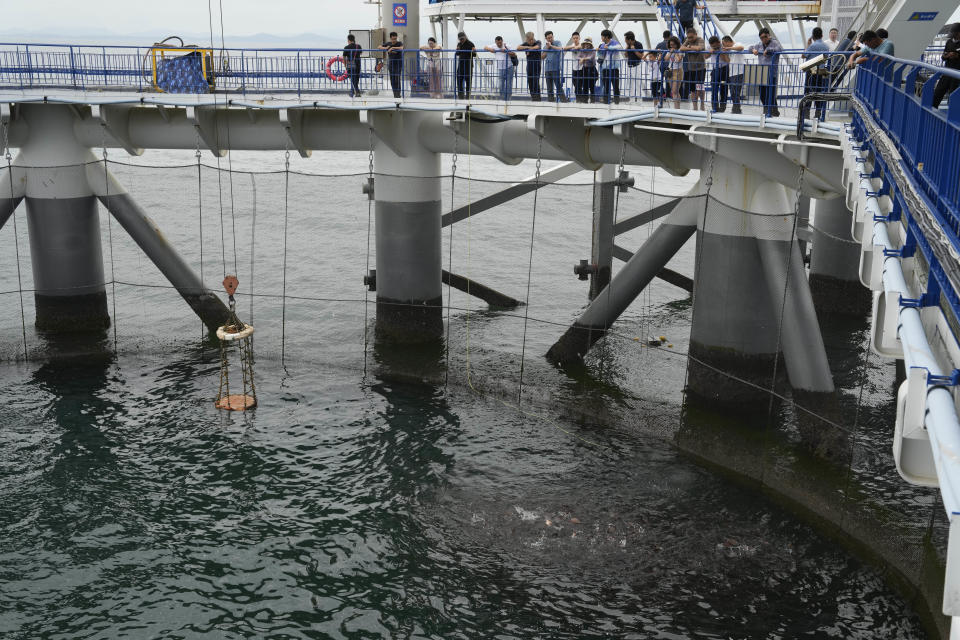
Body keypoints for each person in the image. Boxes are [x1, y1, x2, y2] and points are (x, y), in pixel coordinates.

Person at [750, 27, 782, 117]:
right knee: (762, 93)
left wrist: (769, 50)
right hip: (762, 71)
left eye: (765, 37)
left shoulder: (774, 42)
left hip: (771, 72)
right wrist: (753, 50)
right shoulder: (759, 44)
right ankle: (771, 109)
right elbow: (750, 47)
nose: (763, 39)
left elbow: (779, 49)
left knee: (770, 92)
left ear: (769, 35)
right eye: (761, 38)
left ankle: (770, 110)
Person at [802, 27, 831, 122]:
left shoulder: (812, 46)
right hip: (821, 71)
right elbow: (826, 57)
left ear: (813, 36)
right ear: (822, 36)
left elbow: (804, 55)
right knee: (819, 92)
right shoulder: (826, 46)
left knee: (808, 92)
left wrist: (808, 45)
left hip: (811, 71)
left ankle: (806, 114)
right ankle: (818, 114)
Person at [933, 23, 960, 108]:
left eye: (955, 34)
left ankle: (951, 117)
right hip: (947, 71)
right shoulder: (949, 42)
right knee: (938, 93)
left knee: (953, 97)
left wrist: (957, 55)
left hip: (957, 74)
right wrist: (947, 55)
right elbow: (943, 56)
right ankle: (933, 109)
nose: (953, 37)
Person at [680, 26, 707, 110]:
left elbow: (699, 48)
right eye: (688, 37)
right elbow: (681, 48)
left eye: (692, 37)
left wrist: (688, 48)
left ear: (696, 34)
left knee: (700, 87)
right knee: (692, 89)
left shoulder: (700, 40)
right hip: (691, 68)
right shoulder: (688, 40)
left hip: (700, 68)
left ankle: (702, 104)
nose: (690, 39)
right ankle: (695, 106)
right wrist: (691, 48)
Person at [484, 36, 515, 101]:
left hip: (509, 67)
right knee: (501, 84)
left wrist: (506, 51)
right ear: (495, 42)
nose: (499, 44)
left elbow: (514, 54)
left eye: (500, 43)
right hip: (500, 68)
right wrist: (490, 49)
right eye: (498, 43)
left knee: (509, 84)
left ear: (502, 41)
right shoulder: (494, 46)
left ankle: (508, 98)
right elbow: (485, 47)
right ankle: (503, 98)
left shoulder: (507, 46)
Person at [516, 32, 543, 101]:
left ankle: (538, 98)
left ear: (533, 37)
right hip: (529, 66)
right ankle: (533, 97)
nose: (531, 41)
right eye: (529, 40)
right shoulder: (526, 44)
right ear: (527, 39)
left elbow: (537, 47)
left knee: (536, 81)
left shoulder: (538, 42)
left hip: (537, 66)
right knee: (530, 82)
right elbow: (518, 48)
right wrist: (527, 47)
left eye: (532, 39)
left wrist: (529, 49)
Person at [598, 29, 622, 104]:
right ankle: (606, 101)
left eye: (602, 36)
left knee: (615, 86)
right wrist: (599, 51)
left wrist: (609, 48)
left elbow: (620, 47)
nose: (601, 38)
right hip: (605, 68)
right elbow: (601, 57)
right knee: (606, 85)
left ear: (606, 37)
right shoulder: (602, 45)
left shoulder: (614, 42)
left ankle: (617, 101)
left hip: (614, 68)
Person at [542, 31, 567, 102]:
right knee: (549, 87)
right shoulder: (545, 46)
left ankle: (564, 101)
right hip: (547, 69)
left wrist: (551, 46)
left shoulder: (557, 42)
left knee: (558, 86)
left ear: (553, 36)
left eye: (551, 37)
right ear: (546, 39)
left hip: (555, 68)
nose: (550, 39)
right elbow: (542, 57)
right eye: (548, 38)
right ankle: (551, 101)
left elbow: (560, 49)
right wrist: (547, 48)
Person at [379, 32, 404, 98]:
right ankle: (394, 94)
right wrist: (386, 48)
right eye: (393, 39)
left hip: (398, 63)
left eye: (395, 39)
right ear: (390, 38)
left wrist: (392, 48)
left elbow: (402, 48)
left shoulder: (399, 43)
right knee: (392, 79)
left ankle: (398, 93)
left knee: (397, 78)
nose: (394, 40)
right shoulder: (388, 44)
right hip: (391, 64)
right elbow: (379, 47)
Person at [652, 30, 672, 104]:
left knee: (660, 81)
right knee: (668, 81)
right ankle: (667, 96)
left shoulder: (659, 44)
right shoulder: (671, 45)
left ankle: (661, 93)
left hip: (661, 65)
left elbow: (654, 52)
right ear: (670, 36)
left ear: (663, 36)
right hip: (669, 66)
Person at [455, 31, 476, 99]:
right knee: (459, 80)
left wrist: (474, 51)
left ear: (465, 37)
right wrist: (457, 50)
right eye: (460, 39)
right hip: (461, 65)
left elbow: (474, 55)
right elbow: (457, 54)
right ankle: (460, 97)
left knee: (468, 81)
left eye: (462, 38)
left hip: (468, 65)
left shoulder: (470, 44)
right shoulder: (459, 44)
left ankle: (468, 97)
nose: (461, 40)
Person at [623, 31, 643, 102]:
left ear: (630, 40)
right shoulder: (628, 46)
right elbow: (626, 55)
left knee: (638, 83)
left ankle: (640, 100)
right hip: (629, 66)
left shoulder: (639, 44)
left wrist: (634, 50)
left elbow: (641, 56)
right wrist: (626, 50)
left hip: (636, 66)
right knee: (630, 83)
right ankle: (631, 100)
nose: (625, 41)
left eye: (626, 40)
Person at [665, 36, 684, 108]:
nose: (672, 46)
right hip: (671, 70)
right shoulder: (669, 50)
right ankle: (677, 107)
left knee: (675, 90)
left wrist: (675, 52)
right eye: (671, 45)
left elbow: (678, 59)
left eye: (673, 45)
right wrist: (670, 52)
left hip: (678, 71)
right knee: (674, 91)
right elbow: (666, 59)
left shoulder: (680, 50)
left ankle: (677, 107)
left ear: (677, 44)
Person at [578, 37, 598, 103]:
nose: (586, 45)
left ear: (590, 45)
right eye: (585, 44)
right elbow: (578, 56)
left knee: (592, 86)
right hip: (585, 69)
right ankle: (585, 101)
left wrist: (583, 59)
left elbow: (591, 57)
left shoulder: (593, 51)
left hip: (592, 69)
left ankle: (592, 101)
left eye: (588, 44)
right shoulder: (582, 50)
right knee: (585, 86)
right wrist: (581, 59)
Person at [566, 32, 583, 104]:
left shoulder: (582, 44)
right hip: (574, 68)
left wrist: (575, 47)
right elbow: (564, 48)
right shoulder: (572, 45)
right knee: (575, 83)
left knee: (579, 84)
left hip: (581, 68)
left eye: (577, 38)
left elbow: (580, 47)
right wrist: (572, 47)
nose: (575, 39)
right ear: (572, 39)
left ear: (579, 38)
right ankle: (578, 98)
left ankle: (579, 99)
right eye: (574, 38)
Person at [343, 34, 362, 98]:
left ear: (348, 40)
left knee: (352, 78)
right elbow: (360, 53)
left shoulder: (346, 47)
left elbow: (344, 58)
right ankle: (354, 92)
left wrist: (345, 65)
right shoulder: (358, 46)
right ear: (354, 40)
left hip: (350, 64)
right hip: (358, 64)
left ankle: (357, 92)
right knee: (356, 78)